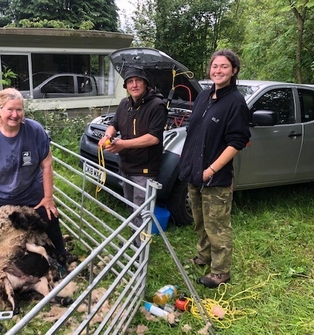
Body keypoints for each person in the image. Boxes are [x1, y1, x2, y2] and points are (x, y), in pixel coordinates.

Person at [0, 88, 73, 269]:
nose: (15, 115)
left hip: (30, 194)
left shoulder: (35, 131)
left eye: (19, 109)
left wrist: (47, 198)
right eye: (10, 109)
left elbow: (47, 165)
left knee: (51, 217)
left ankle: (61, 257)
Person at [178, 49, 251, 288]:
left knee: (217, 225)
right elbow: (194, 131)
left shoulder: (236, 102)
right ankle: (204, 256)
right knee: (199, 220)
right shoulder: (205, 96)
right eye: (215, 66)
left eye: (224, 67)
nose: (218, 71)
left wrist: (210, 170)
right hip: (194, 171)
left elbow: (237, 142)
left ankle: (220, 271)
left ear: (234, 71)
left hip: (215, 176)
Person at [98, 66, 168, 246]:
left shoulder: (157, 106)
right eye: (130, 81)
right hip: (126, 166)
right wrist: (107, 135)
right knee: (130, 205)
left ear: (145, 83)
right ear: (126, 86)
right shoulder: (124, 104)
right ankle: (135, 238)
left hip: (144, 168)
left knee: (141, 208)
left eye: (138, 80)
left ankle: (141, 248)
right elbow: (114, 124)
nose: (134, 84)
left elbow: (153, 138)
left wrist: (122, 144)